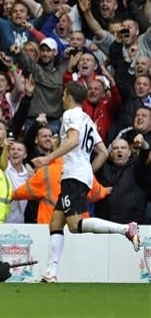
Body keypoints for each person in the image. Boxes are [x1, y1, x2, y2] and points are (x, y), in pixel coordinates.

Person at [32, 82, 141, 283]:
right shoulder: (88, 120)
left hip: (73, 175)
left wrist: (48, 159)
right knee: (56, 222)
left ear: (67, 95)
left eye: (64, 94)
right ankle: (51, 273)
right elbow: (102, 152)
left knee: (74, 225)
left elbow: (73, 141)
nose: (63, 97)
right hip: (79, 174)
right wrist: (87, 172)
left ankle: (126, 229)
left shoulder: (70, 114)